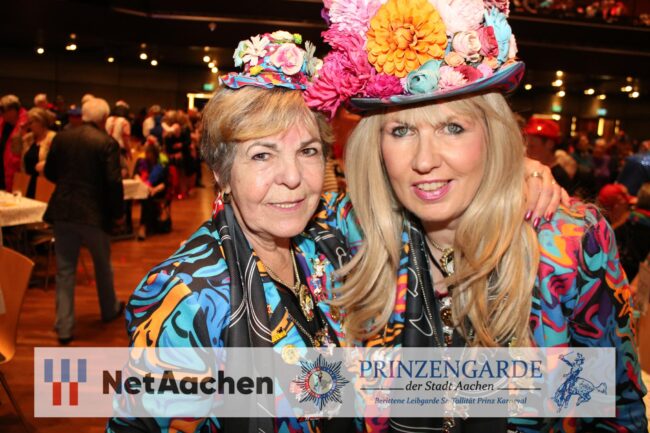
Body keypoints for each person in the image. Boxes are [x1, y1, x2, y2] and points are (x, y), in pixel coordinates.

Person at [305, 0, 646, 431]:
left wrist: (510, 171)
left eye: (453, 128)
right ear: (376, 145)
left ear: (492, 133)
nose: (424, 160)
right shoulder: (347, 235)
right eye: (401, 130)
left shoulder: (565, 246)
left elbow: (613, 408)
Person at [44, 97, 125, 345]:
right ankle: (109, 309)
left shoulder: (61, 138)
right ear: (103, 118)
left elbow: (49, 172)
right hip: (93, 213)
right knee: (102, 265)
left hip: (62, 210)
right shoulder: (107, 143)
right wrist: (118, 213)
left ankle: (64, 326)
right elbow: (113, 183)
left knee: (65, 270)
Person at [133, 142, 170, 239]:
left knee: (147, 197)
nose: (146, 155)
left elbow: (165, 183)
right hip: (143, 189)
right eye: (146, 152)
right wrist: (145, 186)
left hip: (158, 191)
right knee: (146, 195)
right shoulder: (141, 162)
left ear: (154, 154)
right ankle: (145, 225)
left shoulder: (161, 165)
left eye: (149, 153)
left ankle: (143, 226)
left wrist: (154, 189)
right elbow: (136, 175)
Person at [21, 107, 56, 198]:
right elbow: (15, 151)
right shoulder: (29, 138)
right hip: (27, 183)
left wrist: (47, 164)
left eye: (30, 123)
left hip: (44, 184)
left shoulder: (53, 138)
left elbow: (60, 162)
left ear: (40, 122)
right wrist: (20, 132)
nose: (29, 126)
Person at [0, 94, 28, 191]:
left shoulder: (26, 125)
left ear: (13, 110)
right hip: (3, 170)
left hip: (17, 171)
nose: (1, 114)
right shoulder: (3, 123)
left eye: (3, 111)